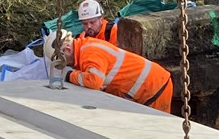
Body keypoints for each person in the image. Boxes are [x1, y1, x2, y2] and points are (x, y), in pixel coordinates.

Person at [44, 31, 172, 113]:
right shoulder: (85, 48)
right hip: (150, 86)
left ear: (67, 50)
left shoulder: (89, 52)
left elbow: (94, 81)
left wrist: (70, 76)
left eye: (63, 61)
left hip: (154, 87)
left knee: (156, 131)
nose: (66, 65)